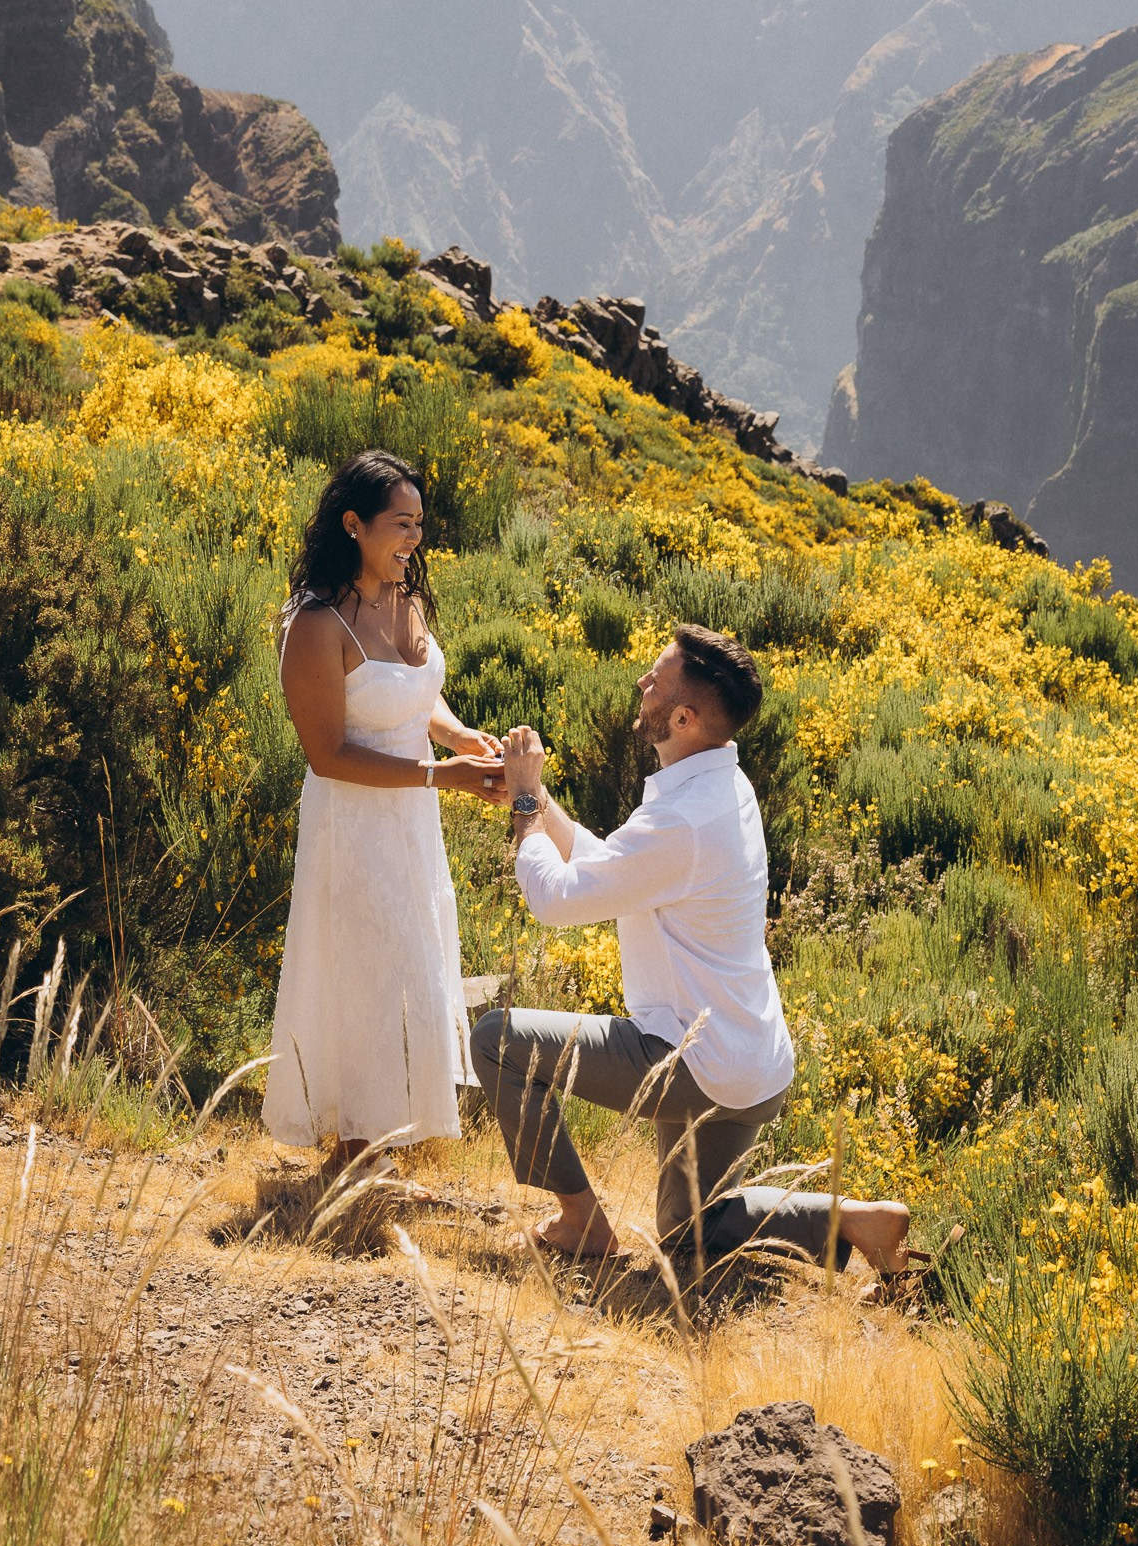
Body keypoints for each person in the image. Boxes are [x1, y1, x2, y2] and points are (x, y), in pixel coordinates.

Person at [474, 622, 911, 1279]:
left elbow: (557, 900)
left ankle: (581, 1222)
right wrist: (529, 798)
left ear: (683, 717)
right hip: (749, 1065)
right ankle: (851, 1220)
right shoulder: (721, 791)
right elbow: (616, 868)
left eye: (655, 681)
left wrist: (529, 805)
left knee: (494, 1041)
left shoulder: (681, 819)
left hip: (690, 1057)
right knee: (686, 1233)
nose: (640, 685)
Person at [260, 449, 505, 1163]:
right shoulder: (314, 625)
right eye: (401, 524)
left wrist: (462, 739)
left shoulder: (405, 594)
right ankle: (355, 1157)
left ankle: (375, 1151)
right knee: (366, 974)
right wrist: (442, 777)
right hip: (352, 825)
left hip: (411, 824)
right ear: (353, 525)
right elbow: (327, 754)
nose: (414, 540)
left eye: (419, 525)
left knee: (411, 969)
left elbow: (416, 692)